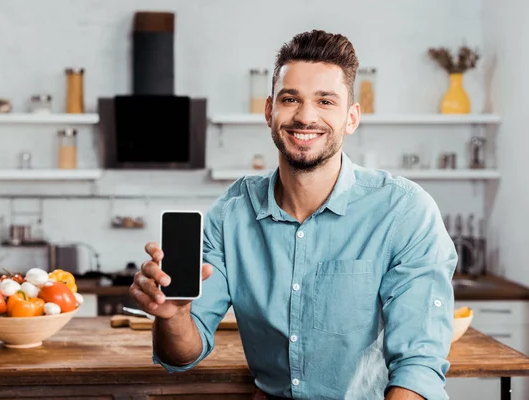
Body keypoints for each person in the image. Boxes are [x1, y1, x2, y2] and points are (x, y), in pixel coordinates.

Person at [130, 29, 457, 400]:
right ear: (270, 111)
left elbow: (418, 366)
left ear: (351, 118)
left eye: (325, 102)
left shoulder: (404, 211)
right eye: (291, 99)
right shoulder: (230, 215)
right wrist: (172, 317)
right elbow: (183, 354)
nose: (305, 117)